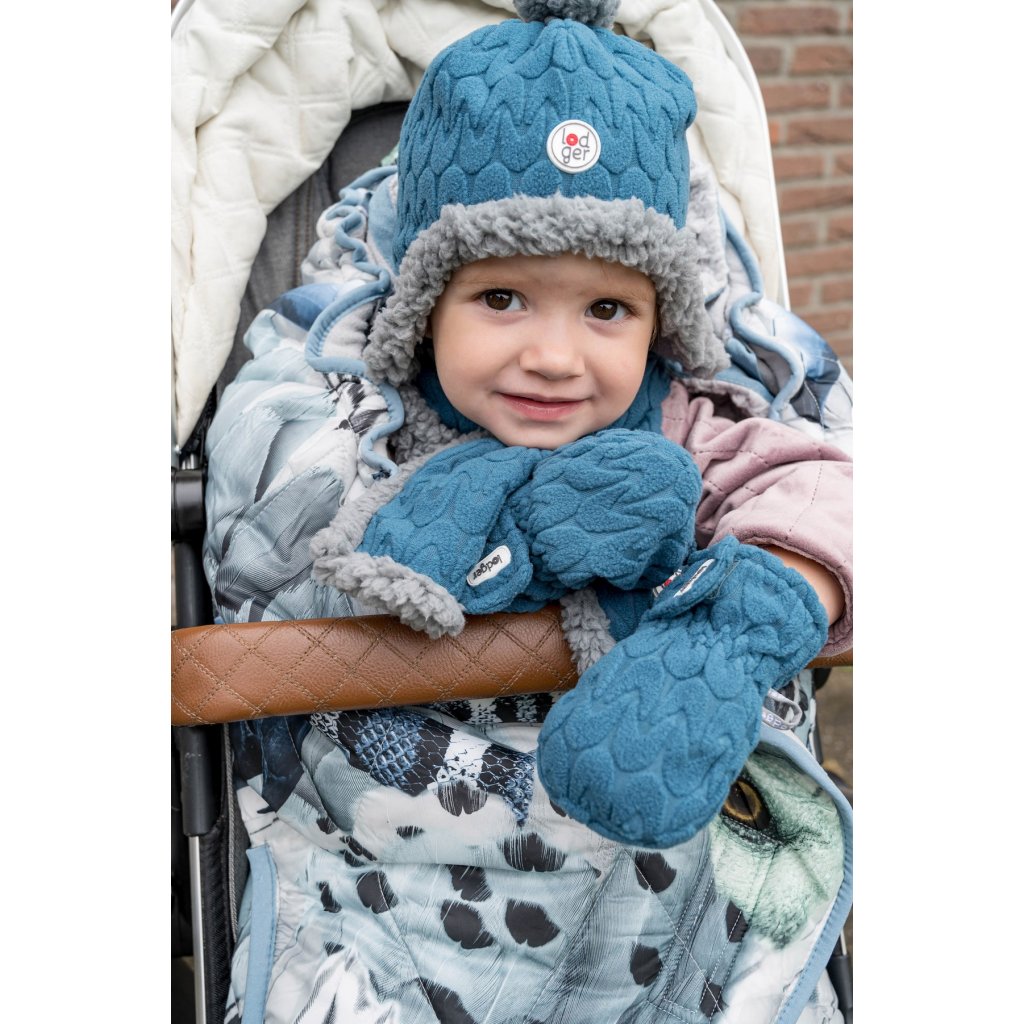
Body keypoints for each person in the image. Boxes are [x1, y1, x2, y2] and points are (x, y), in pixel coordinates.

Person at [204, 2, 852, 1021]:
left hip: (656, 891)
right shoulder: (359, 412)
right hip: (405, 885)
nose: (553, 356)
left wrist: (737, 623)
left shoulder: (687, 418)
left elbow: (825, 491)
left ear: (659, 325)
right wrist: (521, 533)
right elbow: (276, 532)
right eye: (501, 298)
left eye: (607, 310)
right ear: (425, 304)